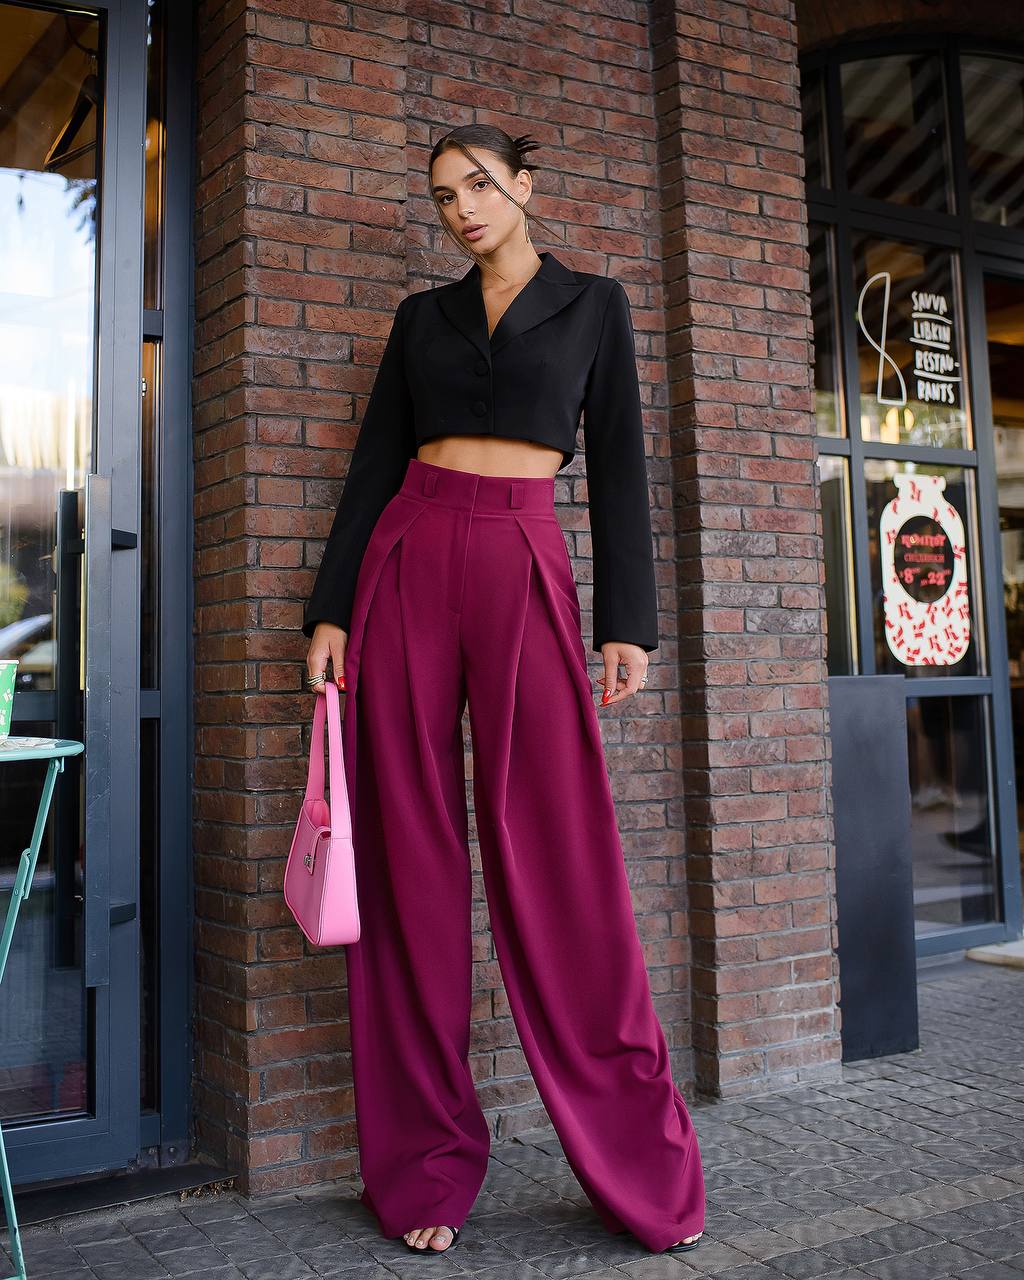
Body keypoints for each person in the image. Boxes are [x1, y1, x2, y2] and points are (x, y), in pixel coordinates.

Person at [302, 124, 705, 1257]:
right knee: (411, 856)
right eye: (441, 197)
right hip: (409, 557)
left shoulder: (594, 304)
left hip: (527, 560)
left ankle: (636, 1162)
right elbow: (375, 458)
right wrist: (330, 609)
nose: (461, 209)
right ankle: (426, 1161)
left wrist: (629, 624)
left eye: (478, 186)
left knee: (555, 850)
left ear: (525, 185)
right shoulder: (419, 319)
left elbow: (620, 461)